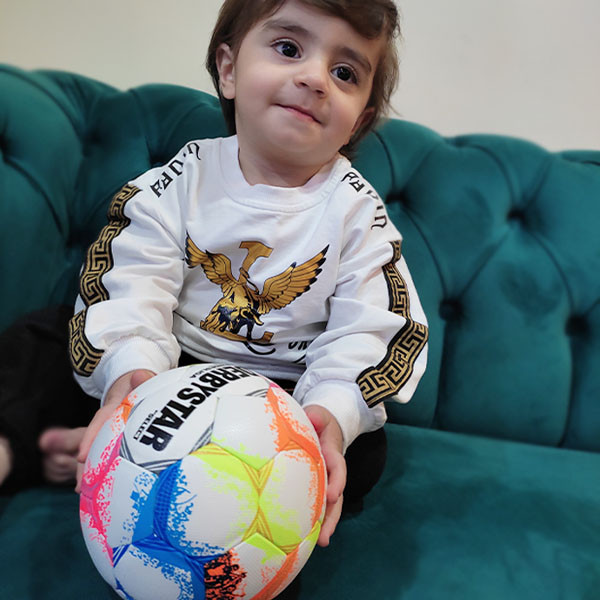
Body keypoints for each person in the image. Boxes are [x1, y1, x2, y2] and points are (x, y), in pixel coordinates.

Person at [2, 0, 429, 556]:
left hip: (279, 397)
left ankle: (199, 493)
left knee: (363, 449)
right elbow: (131, 279)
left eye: (345, 72)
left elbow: (374, 327)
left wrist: (329, 409)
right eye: (289, 48)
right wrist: (134, 374)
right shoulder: (180, 180)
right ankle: (28, 448)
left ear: (360, 120)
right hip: (169, 371)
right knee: (42, 338)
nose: (314, 78)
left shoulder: (357, 214)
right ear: (229, 70)